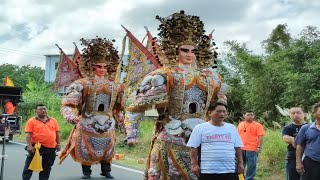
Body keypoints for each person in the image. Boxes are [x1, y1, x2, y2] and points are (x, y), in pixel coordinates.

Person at [124, 10, 227, 179]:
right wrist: (132, 132)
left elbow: (221, 108)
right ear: (175, 51)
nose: (189, 54)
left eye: (193, 51)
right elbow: (135, 107)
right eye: (185, 50)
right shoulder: (167, 75)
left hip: (203, 140)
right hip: (172, 136)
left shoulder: (210, 78)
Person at [59, 37, 123, 179]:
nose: (102, 70)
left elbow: (119, 108)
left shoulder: (116, 86)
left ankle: (106, 170)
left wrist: (124, 124)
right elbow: (67, 104)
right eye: (99, 66)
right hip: (87, 124)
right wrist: (72, 118)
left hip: (108, 125)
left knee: (108, 150)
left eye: (105, 67)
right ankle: (86, 172)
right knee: (86, 149)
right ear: (91, 66)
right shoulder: (82, 84)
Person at [187, 102, 244, 180]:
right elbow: (193, 148)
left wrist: (240, 163)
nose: (222, 114)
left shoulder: (231, 128)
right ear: (210, 113)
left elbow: (237, 147)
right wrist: (194, 164)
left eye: (224, 111)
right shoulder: (200, 128)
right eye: (219, 111)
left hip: (229, 170)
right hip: (208, 171)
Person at [22, 104, 61, 180]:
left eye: (44, 109)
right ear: (36, 111)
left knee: (47, 166)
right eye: (40, 109)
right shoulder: (31, 121)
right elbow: (28, 135)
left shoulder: (53, 120)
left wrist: (58, 144)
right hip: (36, 146)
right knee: (29, 165)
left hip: (51, 147)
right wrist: (29, 146)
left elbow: (57, 133)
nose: (43, 111)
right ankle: (26, 178)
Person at [237, 111, 265, 180]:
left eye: (251, 115)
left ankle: (249, 178)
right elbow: (236, 136)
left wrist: (259, 147)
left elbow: (260, 137)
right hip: (241, 148)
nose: (250, 116)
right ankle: (241, 178)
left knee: (251, 166)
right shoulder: (240, 124)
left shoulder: (258, 125)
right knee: (240, 165)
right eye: (248, 115)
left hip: (252, 149)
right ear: (244, 115)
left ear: (254, 116)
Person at [295, 102, 320, 180]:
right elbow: (299, 145)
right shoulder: (306, 128)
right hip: (310, 162)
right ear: (314, 113)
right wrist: (298, 162)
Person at [282, 107, 306, 180]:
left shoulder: (311, 126)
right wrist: (293, 140)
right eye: (293, 113)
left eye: (298, 112)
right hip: (292, 157)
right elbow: (285, 137)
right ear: (290, 115)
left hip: (309, 156)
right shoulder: (287, 128)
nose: (295, 115)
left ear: (304, 114)